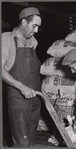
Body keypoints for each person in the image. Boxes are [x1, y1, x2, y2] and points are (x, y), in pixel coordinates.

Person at [2, 7, 42, 147]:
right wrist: (21, 87)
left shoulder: (33, 42)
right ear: (24, 22)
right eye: (34, 26)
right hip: (18, 97)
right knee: (22, 142)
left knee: (31, 139)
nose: (36, 31)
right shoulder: (6, 39)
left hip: (35, 96)